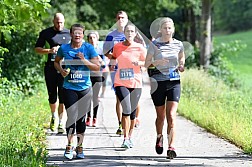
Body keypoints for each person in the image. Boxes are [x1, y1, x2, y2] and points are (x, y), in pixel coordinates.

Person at [54, 23, 100, 159]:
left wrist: (84, 60)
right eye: (75, 32)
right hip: (69, 88)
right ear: (71, 34)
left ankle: (79, 147)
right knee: (72, 117)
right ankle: (69, 146)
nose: (77, 35)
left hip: (85, 89)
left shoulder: (89, 48)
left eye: (80, 33)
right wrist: (61, 70)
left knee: (81, 120)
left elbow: (97, 67)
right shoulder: (64, 48)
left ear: (83, 35)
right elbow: (56, 62)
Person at [144, 17, 185, 159]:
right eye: (165, 28)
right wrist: (156, 61)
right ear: (160, 30)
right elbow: (146, 64)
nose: (167, 30)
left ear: (173, 29)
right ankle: (159, 136)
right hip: (158, 83)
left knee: (171, 116)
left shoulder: (179, 44)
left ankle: (171, 147)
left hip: (174, 82)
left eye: (169, 28)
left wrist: (181, 65)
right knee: (161, 116)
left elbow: (181, 57)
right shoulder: (154, 45)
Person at [103, 10, 143, 135]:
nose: (121, 20)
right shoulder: (111, 36)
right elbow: (106, 52)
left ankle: (134, 118)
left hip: (134, 73)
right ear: (116, 20)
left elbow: (142, 52)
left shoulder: (134, 34)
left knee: (134, 99)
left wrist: (137, 62)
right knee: (119, 98)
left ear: (127, 19)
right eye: (118, 17)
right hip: (118, 71)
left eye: (123, 17)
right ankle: (120, 124)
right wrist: (115, 59)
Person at [35, 13, 71, 133]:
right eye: (57, 22)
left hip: (64, 69)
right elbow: (37, 49)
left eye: (61, 22)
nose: (59, 24)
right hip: (50, 68)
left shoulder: (68, 34)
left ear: (64, 22)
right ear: (53, 21)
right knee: (52, 95)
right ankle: (53, 116)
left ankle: (61, 122)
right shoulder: (46, 33)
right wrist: (50, 50)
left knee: (63, 96)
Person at [112, 23, 146, 148]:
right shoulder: (117, 47)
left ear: (135, 33)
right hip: (120, 82)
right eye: (127, 31)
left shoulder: (140, 48)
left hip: (136, 83)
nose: (130, 33)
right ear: (124, 33)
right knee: (126, 108)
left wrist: (140, 63)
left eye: (132, 31)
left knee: (132, 112)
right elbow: (113, 57)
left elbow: (149, 63)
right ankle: (125, 138)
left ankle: (130, 136)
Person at [86, 31, 106, 127]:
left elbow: (103, 65)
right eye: (90, 38)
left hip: (97, 76)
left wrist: (98, 58)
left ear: (97, 39)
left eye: (94, 38)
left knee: (95, 97)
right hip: (87, 76)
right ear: (88, 40)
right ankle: (88, 117)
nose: (92, 40)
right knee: (87, 97)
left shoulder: (100, 50)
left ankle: (95, 117)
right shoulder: (85, 49)